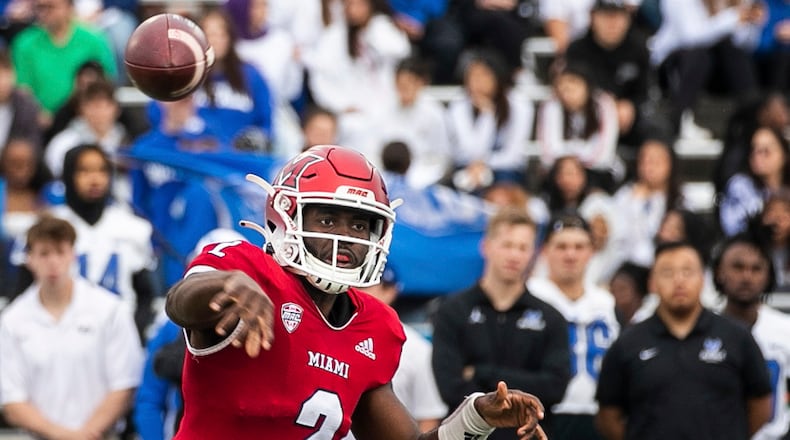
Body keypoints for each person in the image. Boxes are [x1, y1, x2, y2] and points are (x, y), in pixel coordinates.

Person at [164, 145, 549, 439]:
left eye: (361, 226)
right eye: (328, 219)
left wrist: (476, 416)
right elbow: (181, 301)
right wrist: (225, 287)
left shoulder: (376, 325)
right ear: (286, 215)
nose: (345, 238)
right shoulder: (247, 268)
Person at [596, 240, 773, 439]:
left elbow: (761, 404)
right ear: (652, 283)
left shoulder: (737, 337)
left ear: (703, 279)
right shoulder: (627, 343)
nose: (679, 280)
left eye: (687, 271)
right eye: (668, 273)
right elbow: (608, 415)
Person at [432, 207, 571, 440]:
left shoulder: (550, 318)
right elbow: (449, 387)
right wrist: (521, 389)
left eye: (523, 247)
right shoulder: (452, 311)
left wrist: (480, 372)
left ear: (533, 254)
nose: (515, 255)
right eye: (507, 245)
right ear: (486, 246)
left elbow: (555, 388)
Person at [0, 215, 143, 439]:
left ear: (73, 255)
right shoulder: (12, 320)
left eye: (60, 251)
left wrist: (87, 433)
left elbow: (125, 384)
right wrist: (65, 435)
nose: (53, 261)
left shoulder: (110, 309)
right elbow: (11, 400)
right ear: (29, 259)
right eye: (44, 253)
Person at [527, 211, 620, 440]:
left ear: (591, 251)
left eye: (579, 247)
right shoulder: (529, 297)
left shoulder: (607, 303)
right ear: (545, 250)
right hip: (542, 413)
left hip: (597, 414)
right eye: (562, 246)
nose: (571, 255)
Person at [50, 144, 158, 336]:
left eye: (101, 170)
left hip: (118, 336)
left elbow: (145, 295)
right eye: (84, 170)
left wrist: (133, 332)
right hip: (61, 336)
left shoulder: (132, 227)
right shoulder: (49, 227)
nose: (94, 179)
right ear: (68, 175)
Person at [716, 233, 790, 440]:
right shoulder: (703, 329)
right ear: (719, 271)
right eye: (738, 267)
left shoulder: (785, 329)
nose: (747, 277)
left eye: (756, 268)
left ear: (768, 275)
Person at [359, 266, 447, 432]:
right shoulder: (327, 334)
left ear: (391, 291)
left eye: (367, 285)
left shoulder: (417, 349)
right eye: (357, 284)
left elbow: (428, 416)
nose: (359, 292)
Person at [565, 0, 652, 148]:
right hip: (589, 117)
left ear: (628, 19)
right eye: (606, 16)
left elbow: (645, 91)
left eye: (618, 16)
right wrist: (606, 107)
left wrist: (631, 106)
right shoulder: (577, 50)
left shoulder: (638, 48)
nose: (612, 23)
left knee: (653, 129)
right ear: (593, 18)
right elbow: (572, 91)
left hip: (628, 120)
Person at [10, 0, 116, 115]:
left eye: (51, 7)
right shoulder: (24, 43)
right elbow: (23, 89)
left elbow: (107, 83)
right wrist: (38, 115)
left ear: (69, 7)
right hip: (41, 123)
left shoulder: (94, 40)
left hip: (85, 119)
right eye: (40, 7)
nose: (44, 12)